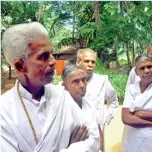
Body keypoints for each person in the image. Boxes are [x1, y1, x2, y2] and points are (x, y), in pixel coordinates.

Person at [1, 22, 99, 152]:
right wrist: (72, 148)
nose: (53, 61)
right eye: (43, 56)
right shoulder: (4, 111)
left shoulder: (62, 96)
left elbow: (91, 137)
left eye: (51, 53)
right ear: (20, 66)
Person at [62, 65, 103, 152]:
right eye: (76, 81)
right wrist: (72, 147)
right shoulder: (61, 109)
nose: (82, 85)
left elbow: (98, 132)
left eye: (84, 80)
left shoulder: (90, 104)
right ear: (64, 86)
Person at [76, 48, 119, 130]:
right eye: (86, 61)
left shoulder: (102, 81)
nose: (90, 65)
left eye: (93, 62)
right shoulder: (67, 83)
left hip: (97, 131)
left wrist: (106, 118)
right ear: (78, 62)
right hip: (75, 132)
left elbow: (114, 101)